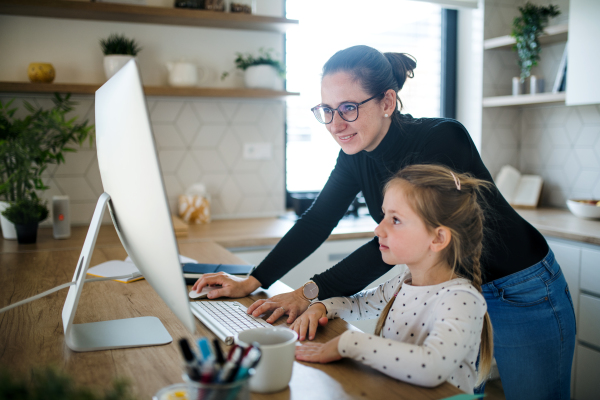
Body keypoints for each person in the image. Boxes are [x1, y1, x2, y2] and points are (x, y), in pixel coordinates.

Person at [192, 45, 575, 399]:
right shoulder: (355, 153)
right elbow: (316, 222)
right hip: (455, 287)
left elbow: (401, 241)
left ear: (388, 101)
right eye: (326, 110)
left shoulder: (440, 141)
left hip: (520, 288)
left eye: (348, 108)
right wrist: (253, 280)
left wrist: (309, 292)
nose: (335, 124)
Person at [293, 164, 492, 393]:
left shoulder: (461, 299)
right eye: (384, 215)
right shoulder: (403, 283)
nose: (379, 229)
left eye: (395, 220)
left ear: (438, 238)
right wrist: (320, 307)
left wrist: (348, 343)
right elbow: (357, 304)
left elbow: (431, 366)